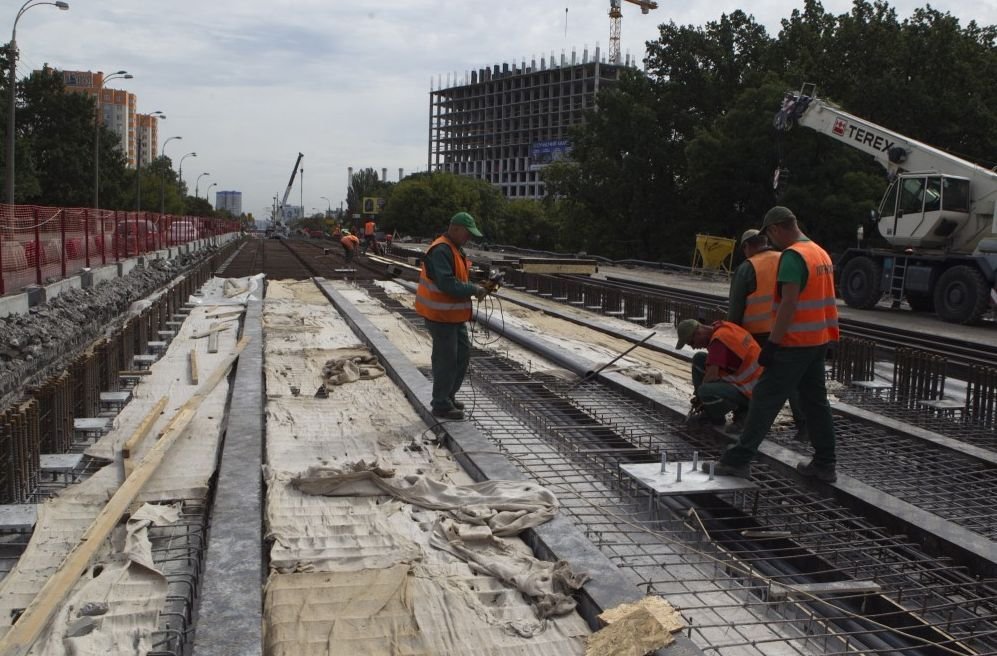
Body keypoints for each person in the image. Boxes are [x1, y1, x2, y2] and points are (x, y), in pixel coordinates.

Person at [709, 206, 839, 482]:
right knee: (816, 402)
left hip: (793, 344)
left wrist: (773, 344)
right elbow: (825, 301)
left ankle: (739, 458)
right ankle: (826, 464)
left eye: (770, 235)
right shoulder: (819, 252)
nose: (771, 242)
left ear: (777, 228)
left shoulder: (793, 257)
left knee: (764, 399)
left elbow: (789, 304)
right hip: (818, 341)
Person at [727, 228, 807, 440]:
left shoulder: (747, 267)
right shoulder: (786, 258)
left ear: (747, 246)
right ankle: (805, 426)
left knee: (753, 379)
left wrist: (730, 335)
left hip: (756, 335)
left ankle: (745, 420)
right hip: (787, 330)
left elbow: (735, 308)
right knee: (791, 381)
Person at [414, 212, 490, 420]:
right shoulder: (441, 250)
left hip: (454, 316)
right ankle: (440, 404)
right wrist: (473, 289)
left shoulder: (456, 248)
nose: (469, 238)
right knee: (446, 360)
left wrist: (475, 286)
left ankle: (448, 396)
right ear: (455, 229)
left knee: (461, 357)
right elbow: (447, 283)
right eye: (467, 233)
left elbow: (458, 278)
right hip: (440, 316)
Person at [675, 319, 762, 428]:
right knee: (699, 359)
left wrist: (700, 399)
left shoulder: (718, 341)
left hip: (752, 391)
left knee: (705, 390)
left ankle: (724, 414)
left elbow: (711, 377)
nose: (693, 347)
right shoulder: (721, 328)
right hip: (748, 381)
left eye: (692, 342)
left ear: (698, 333)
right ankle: (710, 409)